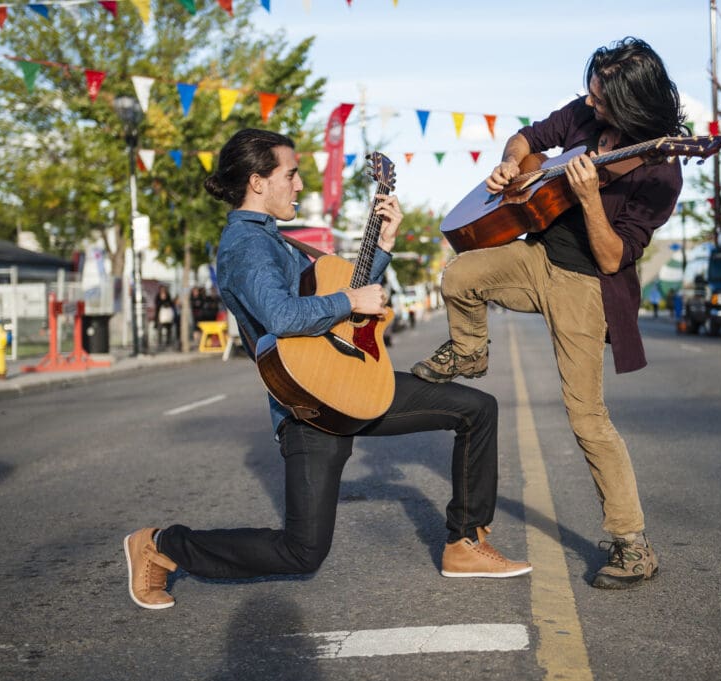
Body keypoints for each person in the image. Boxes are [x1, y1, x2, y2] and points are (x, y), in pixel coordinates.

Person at [124, 129, 531, 610]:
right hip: (310, 402)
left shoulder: (277, 240)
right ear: (257, 181)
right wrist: (351, 299)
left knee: (476, 409)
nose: (299, 186)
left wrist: (381, 247)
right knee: (302, 551)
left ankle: (465, 543)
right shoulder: (246, 246)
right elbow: (281, 316)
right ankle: (162, 544)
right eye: (291, 175)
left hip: (351, 380)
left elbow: (335, 301)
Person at [412, 37, 686, 590]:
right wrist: (510, 166)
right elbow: (528, 139)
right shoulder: (584, 112)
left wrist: (587, 199)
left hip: (587, 287)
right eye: (591, 90)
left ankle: (633, 545)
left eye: (603, 96)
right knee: (459, 275)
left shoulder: (661, 174)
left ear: (634, 103)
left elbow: (612, 256)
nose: (591, 101)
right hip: (536, 254)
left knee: (587, 417)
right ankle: (469, 351)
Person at [154, 285, 176, 349]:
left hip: (168, 315)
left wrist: (167, 303)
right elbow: (157, 304)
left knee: (168, 329)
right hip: (160, 316)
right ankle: (160, 342)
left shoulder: (168, 296)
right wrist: (161, 300)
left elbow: (171, 303)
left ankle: (168, 341)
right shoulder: (158, 296)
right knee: (160, 329)